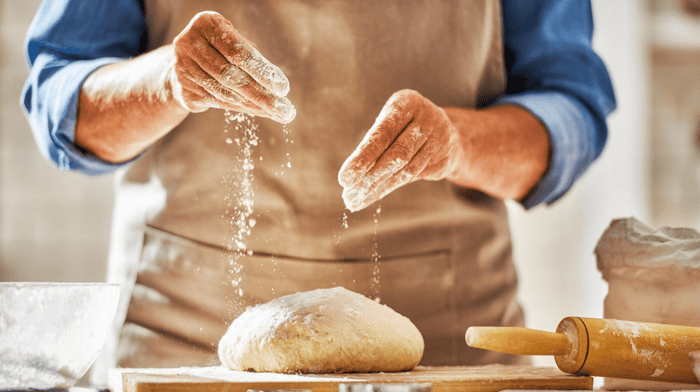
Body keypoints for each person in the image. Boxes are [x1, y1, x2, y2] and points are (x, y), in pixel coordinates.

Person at [22, 0, 615, 383]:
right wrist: (165, 82)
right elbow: (60, 96)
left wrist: (459, 141)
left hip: (447, 347)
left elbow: (570, 111)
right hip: (184, 343)